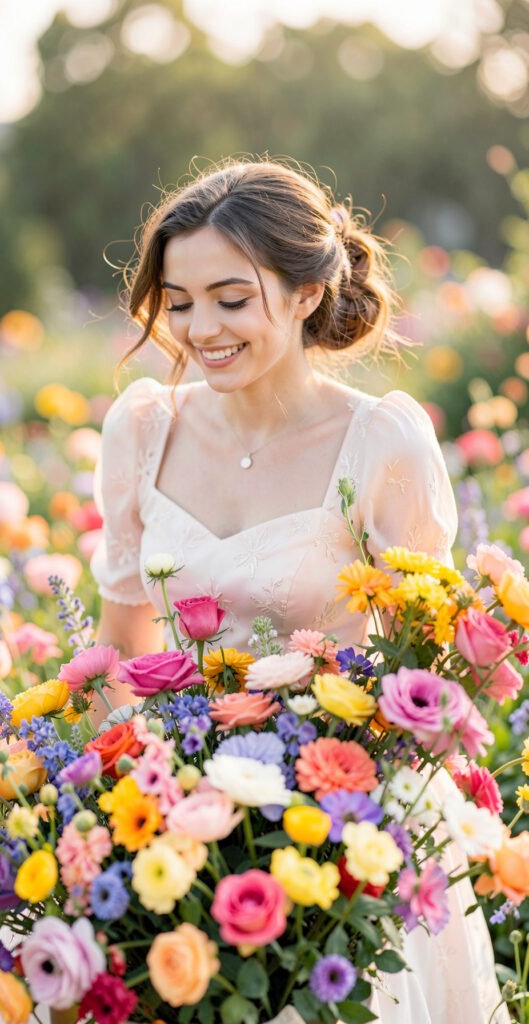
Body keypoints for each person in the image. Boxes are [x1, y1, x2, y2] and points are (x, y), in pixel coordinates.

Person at [89, 157, 510, 1024]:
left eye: (231, 298)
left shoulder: (379, 443)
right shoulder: (143, 427)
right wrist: (96, 819)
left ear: (306, 293)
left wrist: (335, 826)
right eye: (178, 301)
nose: (199, 328)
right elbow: (117, 649)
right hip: (172, 819)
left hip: (341, 831)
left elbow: (416, 669)